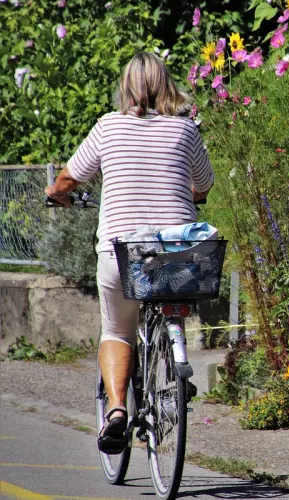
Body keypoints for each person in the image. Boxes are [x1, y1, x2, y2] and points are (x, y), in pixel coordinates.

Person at [45, 52, 214, 454]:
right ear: (167, 85)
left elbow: (69, 177)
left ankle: (117, 410)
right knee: (170, 295)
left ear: (126, 87)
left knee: (118, 331)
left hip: (122, 254)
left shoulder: (109, 126)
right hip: (177, 254)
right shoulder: (185, 129)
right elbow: (204, 185)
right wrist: (186, 193)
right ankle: (173, 359)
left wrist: (56, 193)